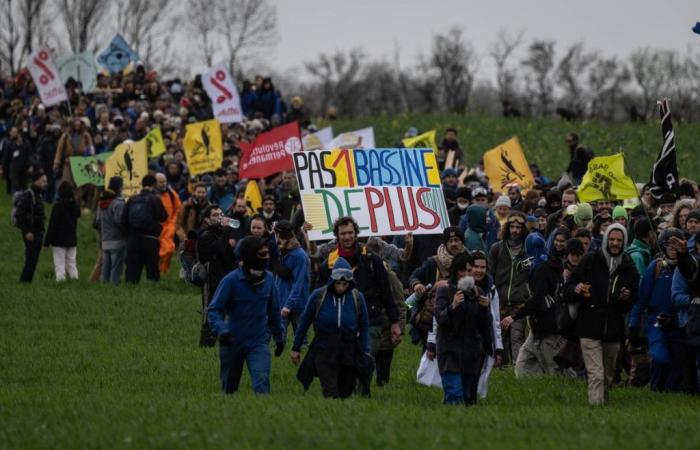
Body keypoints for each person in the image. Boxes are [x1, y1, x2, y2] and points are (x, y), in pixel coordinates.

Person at [317, 216, 401, 387]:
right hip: (339, 324)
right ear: (337, 236)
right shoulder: (328, 264)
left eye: (350, 233)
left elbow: (386, 292)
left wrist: (395, 322)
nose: (347, 237)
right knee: (344, 364)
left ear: (356, 234)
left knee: (364, 360)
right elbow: (320, 295)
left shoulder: (372, 259)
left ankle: (363, 392)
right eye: (343, 234)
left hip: (370, 320)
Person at [564, 223, 639, 405]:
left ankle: (602, 405)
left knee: (608, 375)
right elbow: (568, 287)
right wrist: (577, 288)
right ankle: (595, 409)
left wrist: (626, 297)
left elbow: (634, 299)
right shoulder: (590, 260)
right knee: (596, 374)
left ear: (624, 242)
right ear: (606, 240)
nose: (615, 243)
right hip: (589, 326)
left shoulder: (629, 267)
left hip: (613, 330)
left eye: (619, 240)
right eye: (612, 239)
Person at [207, 236, 286, 395]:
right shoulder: (231, 281)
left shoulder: (269, 279)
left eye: (268, 253)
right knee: (229, 389)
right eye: (262, 255)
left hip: (258, 342)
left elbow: (274, 312)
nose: (267, 258)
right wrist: (222, 330)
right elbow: (214, 309)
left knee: (262, 381)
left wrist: (280, 337)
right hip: (232, 342)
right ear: (250, 256)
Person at [291, 257, 370, 398]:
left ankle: (341, 416)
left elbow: (364, 325)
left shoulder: (357, 297)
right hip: (324, 346)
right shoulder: (318, 295)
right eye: (338, 283)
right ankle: (330, 407)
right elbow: (304, 322)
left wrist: (365, 350)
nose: (341, 287)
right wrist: (296, 347)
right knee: (330, 390)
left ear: (350, 282)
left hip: (349, 347)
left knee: (346, 391)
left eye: (344, 284)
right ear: (332, 281)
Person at [503, 229, 568, 377]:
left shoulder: (540, 269)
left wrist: (514, 316)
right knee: (522, 367)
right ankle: (537, 389)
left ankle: (563, 393)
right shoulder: (549, 264)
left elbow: (538, 299)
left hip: (547, 327)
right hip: (538, 326)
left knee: (554, 370)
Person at [629, 228, 685, 392]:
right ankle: (656, 389)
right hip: (656, 321)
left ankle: (670, 393)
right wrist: (633, 325)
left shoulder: (686, 267)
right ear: (663, 246)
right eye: (669, 245)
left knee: (678, 362)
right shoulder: (656, 267)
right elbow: (641, 298)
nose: (672, 248)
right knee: (660, 358)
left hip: (679, 322)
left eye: (676, 244)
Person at [434, 252, 493, 405]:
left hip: (471, 355)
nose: (467, 274)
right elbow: (440, 320)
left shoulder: (478, 292)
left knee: (468, 398)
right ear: (456, 271)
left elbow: (483, 325)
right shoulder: (444, 291)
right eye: (463, 270)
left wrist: (484, 309)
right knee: (455, 395)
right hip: (450, 353)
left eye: (469, 270)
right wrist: (452, 306)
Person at [409, 227, 466, 347]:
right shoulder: (433, 262)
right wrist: (418, 284)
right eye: (450, 241)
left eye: (457, 240)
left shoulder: (469, 261)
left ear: (462, 242)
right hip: (432, 317)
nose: (454, 244)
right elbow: (414, 276)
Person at [489, 211, 530, 365]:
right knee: (500, 339)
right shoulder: (496, 248)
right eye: (512, 226)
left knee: (517, 338)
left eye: (518, 227)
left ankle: (518, 369)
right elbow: (489, 275)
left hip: (520, 302)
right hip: (500, 302)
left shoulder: (528, 250)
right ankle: (502, 369)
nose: (515, 230)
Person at [196, 205, 237, 347]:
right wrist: (226, 233)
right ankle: (206, 344)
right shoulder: (205, 235)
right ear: (207, 219)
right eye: (215, 215)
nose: (219, 217)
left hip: (224, 279)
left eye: (221, 214)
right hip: (211, 280)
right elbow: (216, 250)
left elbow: (230, 258)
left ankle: (223, 339)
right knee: (210, 310)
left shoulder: (220, 234)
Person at [122, 175, 168, 283]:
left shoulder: (132, 199)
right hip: (150, 238)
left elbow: (124, 219)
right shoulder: (155, 199)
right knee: (152, 267)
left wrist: (128, 234)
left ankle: (130, 287)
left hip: (133, 238)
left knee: (132, 268)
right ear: (154, 184)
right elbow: (163, 216)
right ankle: (152, 289)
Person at [272, 220, 310, 334]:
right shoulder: (281, 251)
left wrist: (289, 305)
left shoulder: (299, 256)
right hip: (281, 301)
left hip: (295, 304)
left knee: (300, 340)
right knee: (279, 339)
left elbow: (299, 282)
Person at [43, 181, 81, 282]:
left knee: (59, 264)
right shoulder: (75, 206)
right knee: (72, 263)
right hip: (72, 239)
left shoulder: (57, 207)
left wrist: (46, 243)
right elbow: (78, 215)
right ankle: (75, 280)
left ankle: (60, 282)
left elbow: (52, 226)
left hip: (58, 241)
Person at [15, 171, 47, 283]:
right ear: (36, 181)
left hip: (38, 232)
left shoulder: (39, 194)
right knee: (30, 259)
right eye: (43, 181)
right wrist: (27, 231)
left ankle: (27, 282)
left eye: (46, 181)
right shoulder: (28, 194)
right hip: (31, 233)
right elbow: (19, 215)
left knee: (33, 260)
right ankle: (24, 282)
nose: (45, 183)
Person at [97, 176, 127, 284]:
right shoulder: (118, 203)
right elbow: (119, 220)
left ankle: (104, 286)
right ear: (119, 187)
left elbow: (98, 220)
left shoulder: (101, 202)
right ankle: (114, 287)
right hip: (118, 239)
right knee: (116, 267)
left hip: (105, 239)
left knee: (106, 266)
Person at [155, 172, 182, 273]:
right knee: (157, 251)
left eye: (164, 181)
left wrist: (173, 222)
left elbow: (178, 208)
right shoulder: (152, 194)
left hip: (169, 225)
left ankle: (163, 270)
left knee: (169, 249)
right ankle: (160, 271)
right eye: (160, 182)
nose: (163, 184)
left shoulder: (171, 193)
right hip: (156, 226)